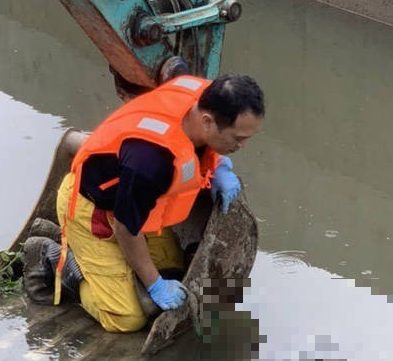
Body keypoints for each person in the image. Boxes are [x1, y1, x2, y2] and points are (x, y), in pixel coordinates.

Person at [24, 74, 265, 333]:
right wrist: (154, 284)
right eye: (237, 139)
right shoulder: (151, 162)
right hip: (93, 212)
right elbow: (125, 227)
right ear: (207, 121)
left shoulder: (206, 95)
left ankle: (114, 269)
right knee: (127, 318)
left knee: (173, 271)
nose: (242, 146)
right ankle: (53, 258)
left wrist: (219, 165)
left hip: (139, 202)